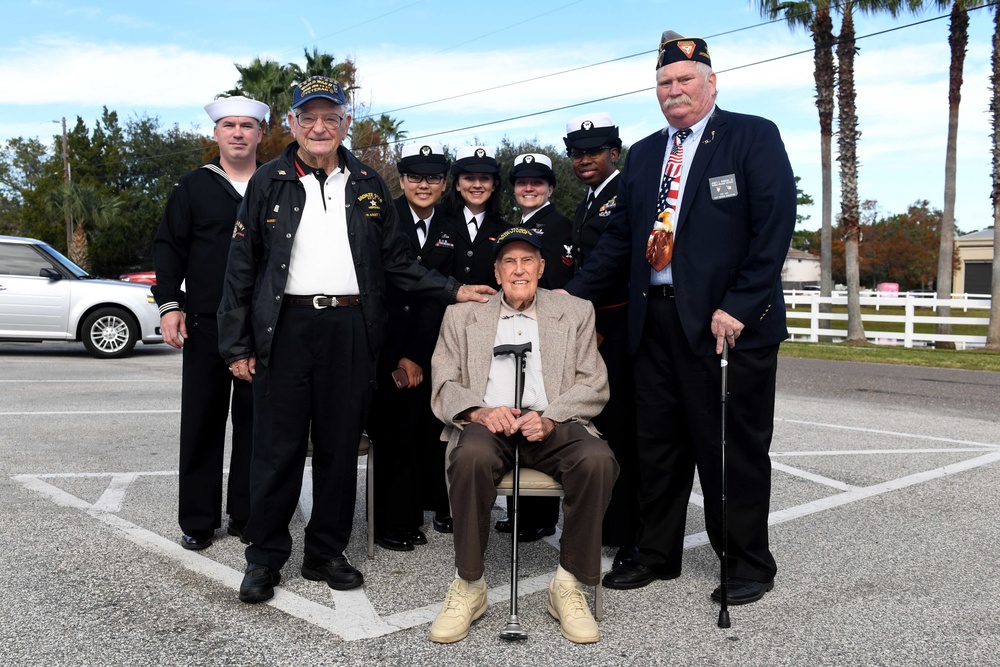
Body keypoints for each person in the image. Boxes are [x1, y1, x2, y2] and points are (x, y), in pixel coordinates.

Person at [217, 76, 493, 604]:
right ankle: (264, 558)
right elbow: (241, 267)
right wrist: (237, 345)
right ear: (292, 124)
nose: (319, 127)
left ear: (346, 123)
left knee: (342, 447)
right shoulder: (268, 180)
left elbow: (396, 264)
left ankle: (325, 552)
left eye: (330, 117)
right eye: (308, 117)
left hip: (350, 329)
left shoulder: (367, 182)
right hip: (287, 326)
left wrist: (454, 290)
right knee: (277, 449)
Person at [563, 33, 796, 606]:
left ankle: (745, 561)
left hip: (727, 326)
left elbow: (774, 227)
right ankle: (656, 551)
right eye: (665, 82)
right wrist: (565, 301)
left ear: (711, 83)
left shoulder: (751, 136)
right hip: (656, 323)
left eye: (686, 80)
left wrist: (739, 304)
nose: (675, 90)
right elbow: (620, 242)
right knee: (656, 446)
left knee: (730, 449)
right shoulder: (645, 154)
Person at [429, 227, 618, 644]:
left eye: (527, 260)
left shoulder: (576, 311)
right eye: (509, 262)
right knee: (469, 456)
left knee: (598, 459)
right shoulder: (461, 316)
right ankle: (469, 584)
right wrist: (480, 411)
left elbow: (594, 383)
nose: (519, 270)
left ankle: (567, 584)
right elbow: (444, 381)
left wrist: (551, 417)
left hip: (554, 422)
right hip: (489, 422)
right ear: (496, 272)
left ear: (542, 267)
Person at [152, 95, 268, 551]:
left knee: (255, 423)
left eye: (246, 126)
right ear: (215, 134)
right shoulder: (193, 186)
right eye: (229, 126)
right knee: (202, 422)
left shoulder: (276, 183)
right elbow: (168, 247)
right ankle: (198, 520)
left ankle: (246, 514)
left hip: (263, 325)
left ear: (261, 133)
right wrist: (169, 305)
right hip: (204, 321)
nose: (238, 133)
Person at [365, 142, 453, 551]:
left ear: (443, 183)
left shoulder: (451, 225)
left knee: (421, 431)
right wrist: (401, 355)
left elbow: (438, 296)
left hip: (429, 344)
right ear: (400, 180)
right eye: (415, 177)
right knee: (391, 432)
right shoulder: (383, 216)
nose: (424, 184)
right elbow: (388, 284)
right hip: (385, 342)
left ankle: (411, 514)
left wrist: (417, 354)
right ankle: (388, 522)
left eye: (433, 177)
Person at [562, 113, 640, 566]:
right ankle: (610, 525)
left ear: (615, 151)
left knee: (625, 435)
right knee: (603, 429)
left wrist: (567, 303)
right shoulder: (588, 202)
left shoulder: (621, 195)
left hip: (617, 331)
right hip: (592, 333)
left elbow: (614, 264)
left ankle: (631, 532)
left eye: (595, 151)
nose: (586, 159)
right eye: (578, 152)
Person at [492, 152, 572, 542]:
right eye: (521, 182)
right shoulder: (515, 227)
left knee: (539, 414)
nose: (528, 187)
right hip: (515, 324)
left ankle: (540, 519)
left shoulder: (560, 227)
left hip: (547, 329)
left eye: (537, 182)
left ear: (550, 188)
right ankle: (522, 513)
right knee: (515, 405)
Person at [439, 145, 510, 291]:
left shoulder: (506, 231)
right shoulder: (436, 219)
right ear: (458, 184)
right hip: (440, 311)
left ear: (494, 185)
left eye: (484, 178)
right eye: (469, 178)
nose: (477, 185)